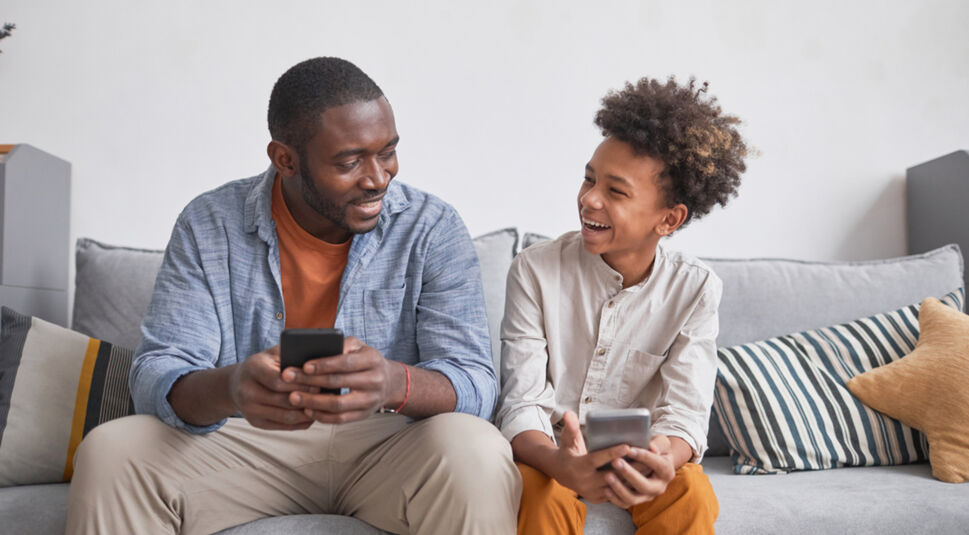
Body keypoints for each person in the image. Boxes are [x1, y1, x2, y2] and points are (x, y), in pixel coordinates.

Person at [65, 57, 520, 535]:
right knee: (111, 450)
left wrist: (392, 382)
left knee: (475, 448)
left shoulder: (432, 228)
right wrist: (232, 386)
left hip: (390, 445)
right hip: (247, 442)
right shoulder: (209, 223)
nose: (378, 177)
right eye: (349, 161)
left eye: (388, 151)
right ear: (285, 159)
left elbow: (475, 382)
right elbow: (159, 373)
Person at [496, 77, 749, 534]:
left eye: (616, 191)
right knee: (532, 492)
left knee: (691, 493)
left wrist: (662, 458)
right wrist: (559, 461)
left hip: (643, 457)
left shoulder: (695, 289)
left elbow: (686, 413)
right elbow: (522, 402)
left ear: (668, 219)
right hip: (550, 454)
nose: (589, 198)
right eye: (589, 178)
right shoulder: (534, 270)